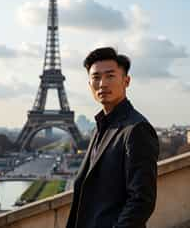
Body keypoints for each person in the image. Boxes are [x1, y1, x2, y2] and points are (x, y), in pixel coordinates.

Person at [66, 47, 159, 228]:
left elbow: (141, 200)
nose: (102, 84)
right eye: (96, 77)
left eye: (110, 76)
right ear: (89, 85)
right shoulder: (100, 128)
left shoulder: (137, 129)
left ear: (126, 81)